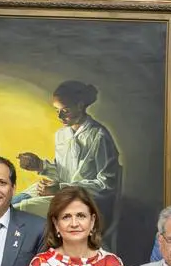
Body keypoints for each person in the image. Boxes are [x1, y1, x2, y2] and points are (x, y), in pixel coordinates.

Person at [15, 80, 121, 229]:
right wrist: (40, 165)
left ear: (80, 105)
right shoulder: (62, 135)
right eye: (56, 110)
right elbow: (63, 173)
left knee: (19, 210)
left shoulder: (99, 136)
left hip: (86, 203)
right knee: (14, 201)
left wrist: (61, 189)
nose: (59, 116)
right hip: (64, 194)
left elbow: (106, 185)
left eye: (65, 110)